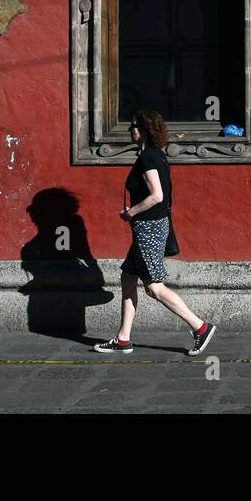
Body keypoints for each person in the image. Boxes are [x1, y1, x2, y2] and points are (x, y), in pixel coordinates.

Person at [93, 109, 216, 356]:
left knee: (154, 287)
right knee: (128, 277)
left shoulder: (148, 158)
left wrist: (131, 212)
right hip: (150, 226)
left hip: (148, 227)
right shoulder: (155, 156)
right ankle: (123, 339)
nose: (130, 129)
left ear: (145, 129)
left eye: (134, 125)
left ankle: (200, 327)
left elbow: (157, 196)